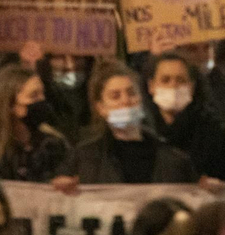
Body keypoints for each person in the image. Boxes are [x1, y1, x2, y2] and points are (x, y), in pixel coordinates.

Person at [58, 60, 196, 184]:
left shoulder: (174, 159)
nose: (125, 101)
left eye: (131, 93)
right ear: (101, 108)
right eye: (115, 96)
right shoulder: (84, 159)